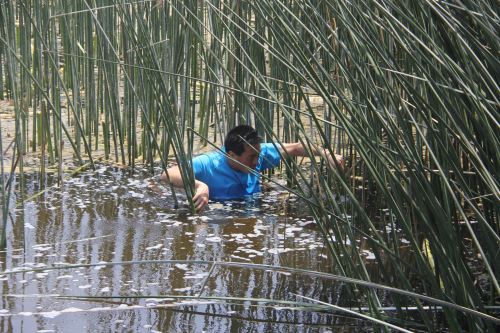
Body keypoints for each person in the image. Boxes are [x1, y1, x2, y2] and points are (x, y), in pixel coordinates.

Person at [160, 125, 344, 212]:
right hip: (220, 212)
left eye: (259, 154)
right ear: (231, 154)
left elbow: (295, 148)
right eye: (251, 157)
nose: (258, 161)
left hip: (251, 208)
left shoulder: (257, 153)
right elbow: (167, 174)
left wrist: (327, 154)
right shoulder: (209, 163)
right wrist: (200, 186)